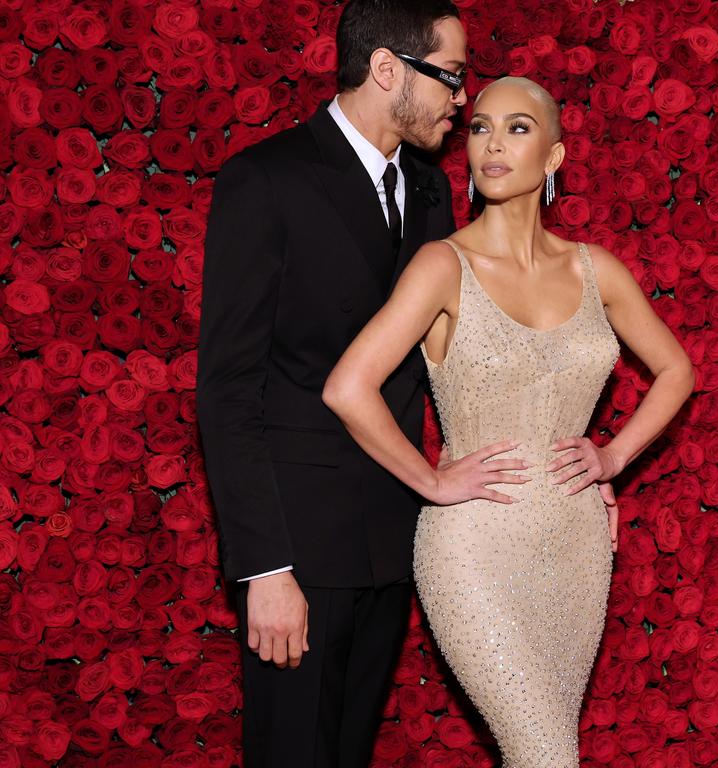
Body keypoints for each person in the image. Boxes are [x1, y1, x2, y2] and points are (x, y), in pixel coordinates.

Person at [323, 77, 696, 766]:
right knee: (547, 751)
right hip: (473, 549)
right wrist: (429, 480)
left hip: (577, 547)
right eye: (481, 127)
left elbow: (677, 371)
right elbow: (349, 387)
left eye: (518, 128)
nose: (493, 144)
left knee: (547, 752)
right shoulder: (443, 266)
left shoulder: (597, 270)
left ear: (553, 157)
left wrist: (613, 460)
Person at [195, 1, 469, 764]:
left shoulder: (432, 193)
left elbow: (448, 365)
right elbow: (227, 389)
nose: (459, 98)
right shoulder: (267, 180)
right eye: (449, 77)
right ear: (388, 69)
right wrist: (266, 569)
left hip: (392, 543)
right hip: (300, 553)